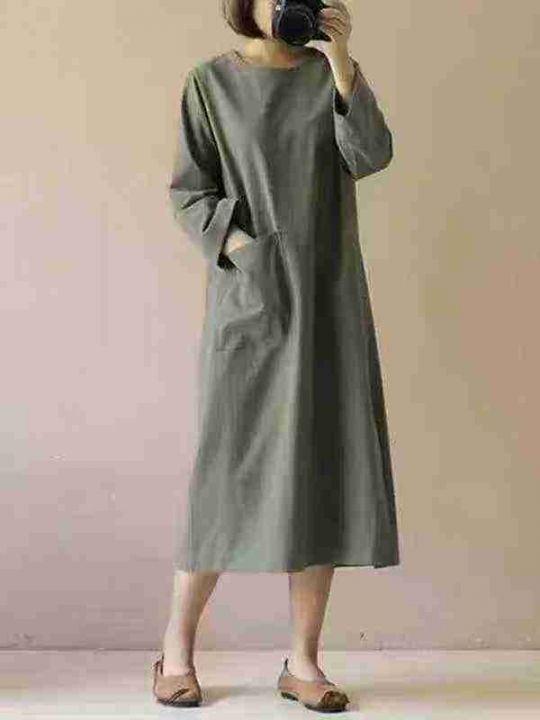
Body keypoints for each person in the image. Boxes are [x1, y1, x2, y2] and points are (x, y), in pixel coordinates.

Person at [152, 0, 400, 711]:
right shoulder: (209, 83)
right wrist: (240, 247)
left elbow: (371, 154)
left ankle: (303, 662)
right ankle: (176, 649)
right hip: (252, 302)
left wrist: (342, 63)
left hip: (327, 302)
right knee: (225, 474)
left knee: (320, 470)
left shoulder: (329, 79)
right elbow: (189, 191)